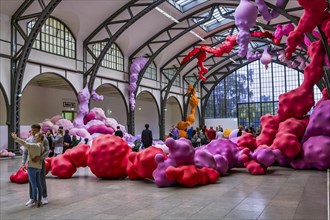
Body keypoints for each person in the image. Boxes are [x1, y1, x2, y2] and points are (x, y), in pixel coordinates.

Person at [12, 131, 45, 207]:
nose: (35, 137)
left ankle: (35, 201)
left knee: (33, 185)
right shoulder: (42, 146)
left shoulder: (35, 146)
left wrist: (16, 138)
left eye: (36, 136)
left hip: (32, 167)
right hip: (38, 167)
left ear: (40, 138)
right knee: (39, 184)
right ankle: (39, 200)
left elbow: (25, 144)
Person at [22, 124, 49, 206]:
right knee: (31, 181)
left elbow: (47, 151)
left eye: (35, 130)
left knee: (41, 180)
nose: (33, 132)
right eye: (32, 130)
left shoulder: (44, 140)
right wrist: (23, 163)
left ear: (39, 130)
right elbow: (25, 152)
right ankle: (32, 198)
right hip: (31, 163)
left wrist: (40, 158)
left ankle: (44, 197)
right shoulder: (28, 139)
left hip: (40, 163)